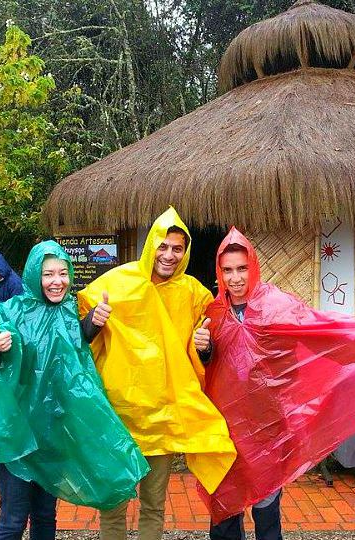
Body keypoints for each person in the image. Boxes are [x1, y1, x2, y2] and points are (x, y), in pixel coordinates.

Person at [194, 227, 355, 532]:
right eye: (227, 270)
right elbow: (207, 367)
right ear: (219, 272)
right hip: (225, 428)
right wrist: (204, 349)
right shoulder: (213, 314)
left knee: (267, 512)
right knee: (226, 508)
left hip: (268, 426)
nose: (235, 278)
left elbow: (323, 332)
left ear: (253, 266)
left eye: (242, 268)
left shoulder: (276, 305)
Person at [0, 241, 149, 540]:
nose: (57, 281)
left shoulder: (67, 311)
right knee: (13, 519)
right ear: (35, 275)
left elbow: (71, 349)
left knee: (44, 516)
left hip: (50, 434)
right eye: (48, 274)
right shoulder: (12, 310)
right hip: (15, 435)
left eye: (63, 273)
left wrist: (92, 323)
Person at [77, 207, 237, 540]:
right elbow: (78, 342)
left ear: (185, 252)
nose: (169, 255)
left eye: (177, 248)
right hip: (118, 416)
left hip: (161, 418)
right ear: (151, 245)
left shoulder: (193, 294)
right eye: (163, 246)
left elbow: (206, 351)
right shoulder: (115, 284)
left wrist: (203, 347)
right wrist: (93, 321)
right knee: (113, 503)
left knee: (153, 505)